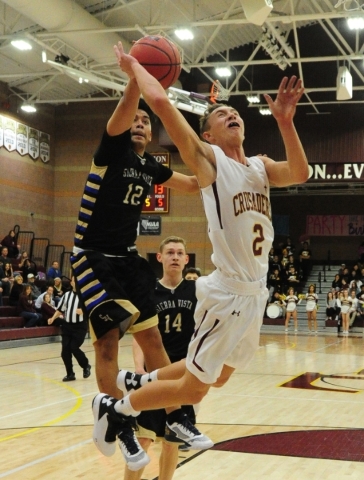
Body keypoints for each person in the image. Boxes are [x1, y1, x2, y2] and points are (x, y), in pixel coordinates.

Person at [92, 42, 309, 466]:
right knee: (194, 388)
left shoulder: (260, 167)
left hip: (255, 294)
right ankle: (116, 408)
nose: (232, 115)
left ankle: (140, 379)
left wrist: (285, 121)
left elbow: (300, 173)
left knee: (221, 375)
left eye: (236, 113)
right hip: (227, 293)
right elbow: (159, 101)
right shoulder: (210, 162)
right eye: (221, 115)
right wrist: (135, 67)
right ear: (207, 134)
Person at [69, 56, 208, 472]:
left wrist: (219, 163)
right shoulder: (110, 150)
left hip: (128, 258)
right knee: (107, 342)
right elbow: (124, 113)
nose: (141, 124)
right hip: (92, 255)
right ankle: (120, 420)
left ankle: (177, 414)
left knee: (154, 344)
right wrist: (137, 75)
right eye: (137, 120)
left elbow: (195, 183)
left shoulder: (152, 166)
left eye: (148, 121)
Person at [124, 236, 198, 480]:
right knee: (143, 438)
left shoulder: (197, 291)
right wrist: (138, 366)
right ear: (160, 257)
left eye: (179, 253)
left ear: (187, 259)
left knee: (171, 441)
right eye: (170, 252)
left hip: (182, 374)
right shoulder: (149, 292)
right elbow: (138, 334)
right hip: (154, 373)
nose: (175, 257)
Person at [48, 277, 91, 382]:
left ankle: (86, 365)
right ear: (71, 283)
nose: (75, 282)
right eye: (74, 280)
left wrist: (84, 312)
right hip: (67, 326)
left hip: (80, 326)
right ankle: (70, 374)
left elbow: (92, 309)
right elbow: (60, 309)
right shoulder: (67, 295)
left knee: (74, 347)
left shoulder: (85, 296)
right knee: (65, 351)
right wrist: (53, 318)